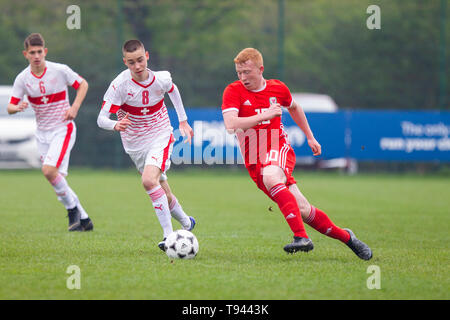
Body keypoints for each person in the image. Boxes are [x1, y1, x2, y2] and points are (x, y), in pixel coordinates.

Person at [221, 48, 372, 260]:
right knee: (302, 209)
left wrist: (310, 137)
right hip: (254, 159)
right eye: (239, 73)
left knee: (272, 177)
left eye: (247, 72)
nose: (242, 77)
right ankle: (348, 238)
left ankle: (301, 237)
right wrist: (265, 114)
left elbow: (294, 107)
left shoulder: (277, 88)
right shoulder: (233, 91)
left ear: (260, 69)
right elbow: (231, 124)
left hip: (277, 146)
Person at [97, 39, 195, 251]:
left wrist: (183, 121)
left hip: (160, 134)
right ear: (125, 62)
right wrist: (115, 125)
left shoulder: (161, 78)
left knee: (149, 181)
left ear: (147, 56)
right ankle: (187, 223)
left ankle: (169, 236)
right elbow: (101, 119)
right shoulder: (119, 86)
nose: (138, 66)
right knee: (162, 191)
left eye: (140, 60)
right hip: (135, 144)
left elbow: (173, 90)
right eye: (131, 62)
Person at [7, 33, 93, 232]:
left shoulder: (59, 70)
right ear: (25, 54)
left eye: (39, 52)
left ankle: (73, 211)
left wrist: (75, 107)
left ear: (45, 52)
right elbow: (9, 107)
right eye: (32, 53)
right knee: (56, 179)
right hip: (42, 134)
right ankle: (85, 220)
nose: (36, 56)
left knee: (49, 171)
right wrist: (17, 107)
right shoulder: (23, 78)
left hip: (62, 129)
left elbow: (83, 85)